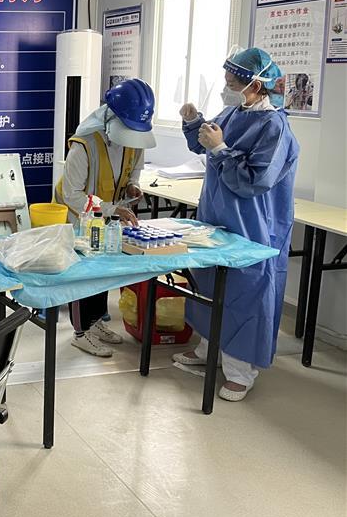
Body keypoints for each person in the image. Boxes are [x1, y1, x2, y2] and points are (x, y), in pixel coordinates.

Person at [175, 46, 298, 402]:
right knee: (208, 283)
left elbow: (255, 180)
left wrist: (220, 149)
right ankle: (207, 349)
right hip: (216, 215)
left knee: (244, 291)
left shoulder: (274, 127)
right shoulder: (232, 112)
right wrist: (193, 122)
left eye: (232, 82)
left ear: (255, 86)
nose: (227, 87)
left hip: (252, 224)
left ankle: (241, 370)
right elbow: (205, 143)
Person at [54, 78, 155, 357]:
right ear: (111, 117)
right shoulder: (84, 145)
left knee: (103, 272)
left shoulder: (135, 135)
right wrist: (110, 209)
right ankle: (80, 333)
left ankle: (95, 322)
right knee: (83, 274)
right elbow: (72, 194)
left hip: (108, 221)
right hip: (79, 218)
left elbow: (134, 169)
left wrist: (133, 185)